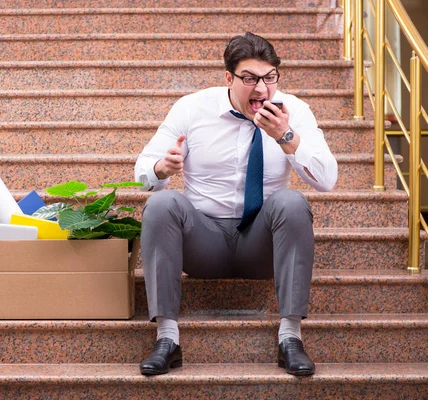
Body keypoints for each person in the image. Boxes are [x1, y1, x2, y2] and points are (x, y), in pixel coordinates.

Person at [134, 32, 338, 377]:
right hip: (204, 241)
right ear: (229, 77)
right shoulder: (192, 108)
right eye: (250, 79)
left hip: (261, 244)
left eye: (270, 78)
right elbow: (142, 173)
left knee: (291, 202)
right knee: (161, 204)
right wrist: (161, 168)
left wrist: (286, 138)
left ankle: (290, 337)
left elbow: (327, 179)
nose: (261, 89)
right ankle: (167, 339)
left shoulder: (295, 111)